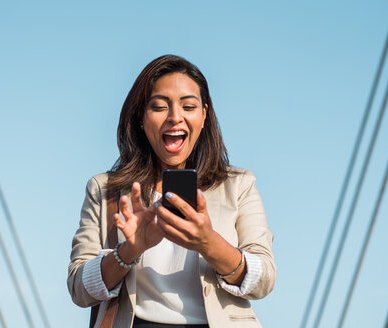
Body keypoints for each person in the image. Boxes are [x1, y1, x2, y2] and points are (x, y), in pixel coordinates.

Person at [68, 55, 276, 328]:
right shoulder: (105, 189)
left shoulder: (238, 185)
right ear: (141, 117)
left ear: (203, 115)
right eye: (159, 107)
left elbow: (264, 281)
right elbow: (79, 289)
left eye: (188, 106)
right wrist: (130, 250)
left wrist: (208, 242)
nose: (175, 117)